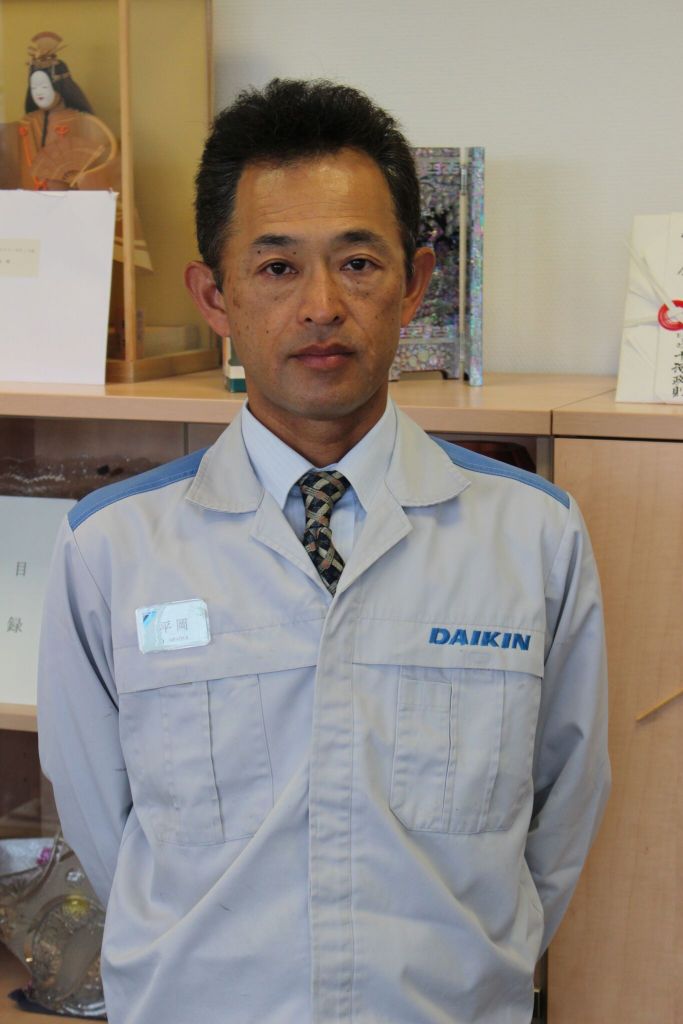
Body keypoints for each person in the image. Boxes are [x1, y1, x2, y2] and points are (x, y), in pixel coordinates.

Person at [37, 78, 610, 1024]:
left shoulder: (531, 536)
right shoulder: (111, 546)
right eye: (275, 267)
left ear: (414, 284)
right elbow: (102, 825)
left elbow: (563, 812)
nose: (320, 306)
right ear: (214, 295)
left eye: (357, 263)